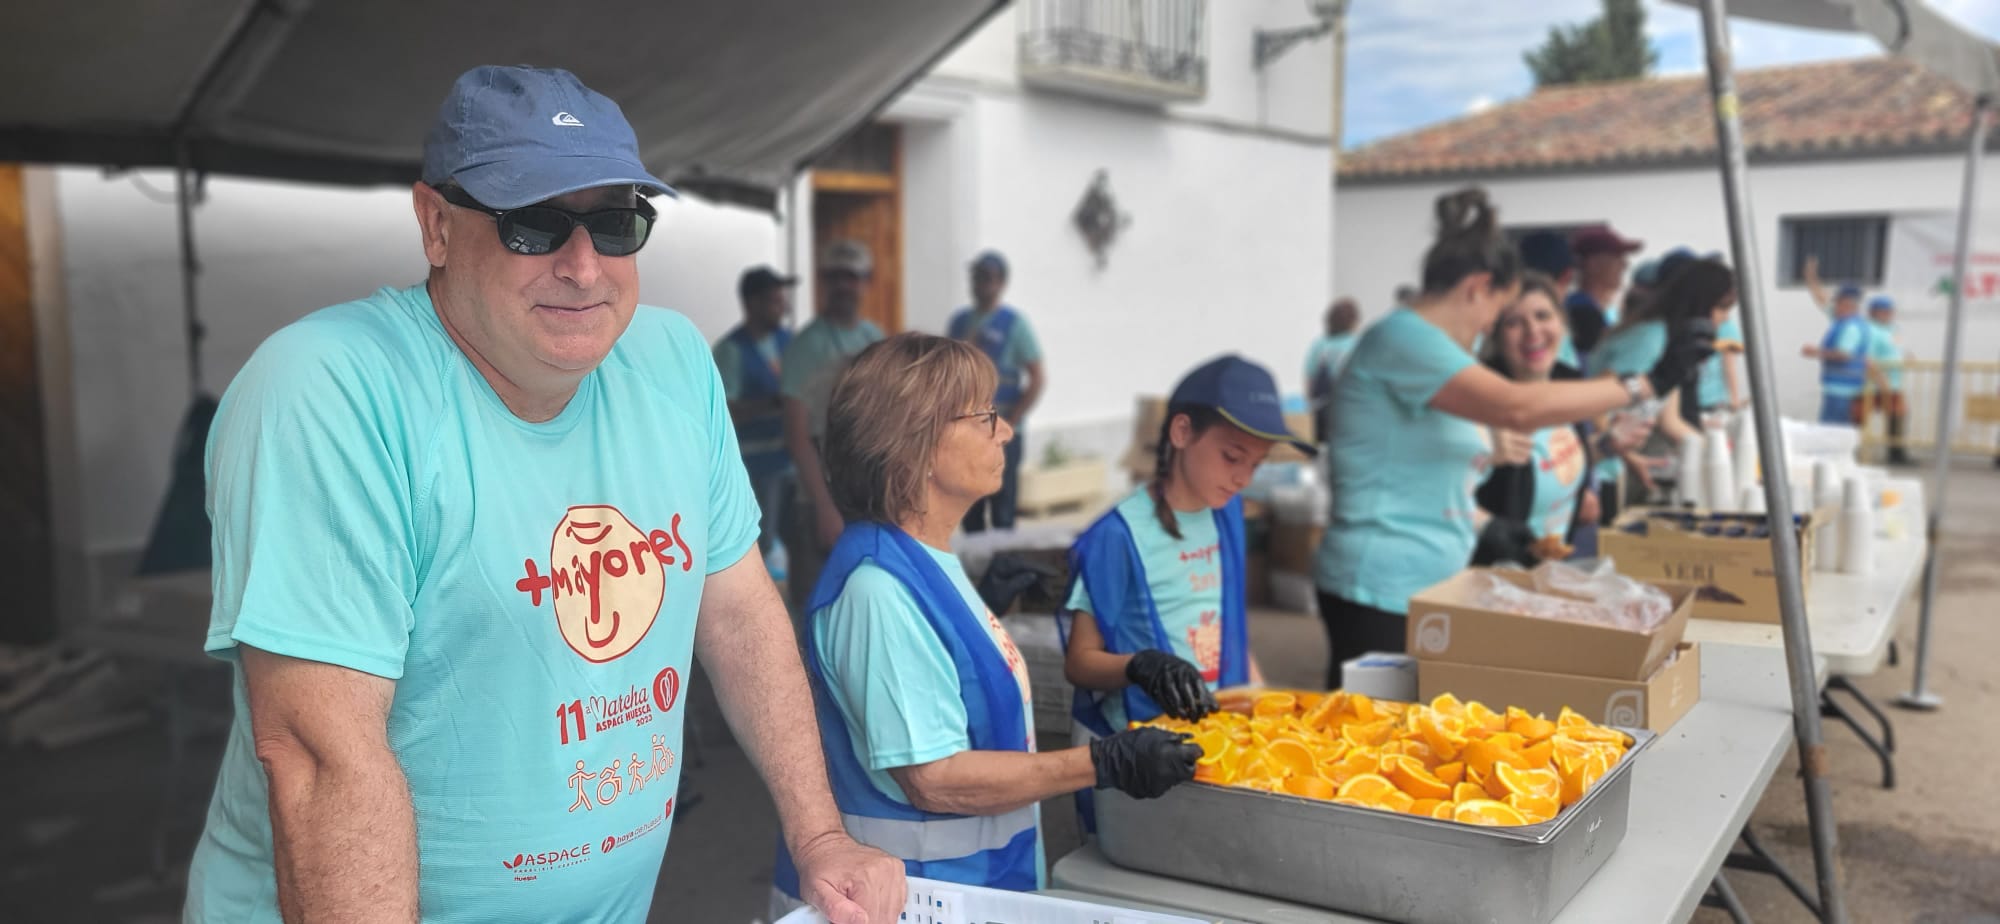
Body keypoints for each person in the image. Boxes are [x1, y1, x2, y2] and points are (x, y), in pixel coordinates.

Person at [184, 66, 902, 924]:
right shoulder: (331, 391)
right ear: (436, 225)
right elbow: (318, 755)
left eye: (615, 222)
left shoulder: (670, 361)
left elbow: (739, 608)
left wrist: (820, 836)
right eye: (534, 224)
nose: (584, 265)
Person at [774, 333, 1200, 902]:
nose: (1007, 430)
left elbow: (933, 684)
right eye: (986, 417)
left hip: (969, 888)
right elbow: (934, 779)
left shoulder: (919, 558)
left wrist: (985, 609)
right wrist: (1103, 762)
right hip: (914, 901)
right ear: (917, 446)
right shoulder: (874, 593)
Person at [1313, 188, 1712, 687]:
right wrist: (1645, 384)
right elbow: (1518, 406)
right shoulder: (1403, 338)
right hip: (1378, 586)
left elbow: (1425, 476)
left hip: (1429, 582)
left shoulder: (1429, 351)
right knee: (1371, 746)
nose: (1487, 330)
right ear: (1479, 287)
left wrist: (1488, 524)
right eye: (1499, 316)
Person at [1060, 355, 1297, 740]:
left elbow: (1227, 628)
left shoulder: (1227, 513)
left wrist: (1263, 702)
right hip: (1141, 743)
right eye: (1232, 457)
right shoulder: (1118, 535)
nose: (1242, 478)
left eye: (1256, 464)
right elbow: (1079, 663)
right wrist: (1140, 666)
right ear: (1182, 432)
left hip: (1216, 731)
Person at [781, 240, 886, 612]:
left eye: (852, 277)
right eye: (835, 277)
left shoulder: (874, 339)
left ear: (865, 281)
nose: (844, 285)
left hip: (866, 498)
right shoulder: (806, 347)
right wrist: (825, 507)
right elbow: (797, 435)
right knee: (818, 609)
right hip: (819, 502)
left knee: (863, 608)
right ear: (824, 281)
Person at [1473, 273, 1606, 565]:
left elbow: (1552, 455)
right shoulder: (1482, 405)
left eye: (1543, 316)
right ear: (1495, 336)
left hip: (1552, 574)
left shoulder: (1567, 385)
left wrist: (1606, 447)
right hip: (1495, 582)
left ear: (1562, 323)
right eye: (1513, 322)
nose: (1532, 331)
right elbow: (1440, 491)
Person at [1588, 259, 1738, 514]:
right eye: (1722, 309)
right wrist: (1626, 454)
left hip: (1617, 461)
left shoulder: (1671, 341)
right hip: (1599, 468)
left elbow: (1670, 420)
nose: (1724, 320)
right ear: (1701, 305)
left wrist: (1719, 454)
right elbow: (1594, 404)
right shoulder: (1650, 337)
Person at [948, 250, 1046, 533]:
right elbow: (947, 371)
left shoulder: (1015, 325)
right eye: (977, 276)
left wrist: (1014, 419)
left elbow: (1037, 376)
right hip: (967, 431)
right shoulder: (960, 323)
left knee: (1003, 511)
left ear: (1001, 283)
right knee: (970, 510)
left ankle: (1004, 573)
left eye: (988, 277)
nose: (981, 284)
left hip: (1002, 429)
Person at [715, 265, 797, 555]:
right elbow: (726, 411)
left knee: (796, 547)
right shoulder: (731, 350)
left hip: (792, 464)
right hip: (755, 469)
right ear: (753, 304)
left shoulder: (788, 341)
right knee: (758, 549)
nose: (784, 308)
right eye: (776, 301)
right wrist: (777, 403)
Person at [1801, 255, 1874, 426]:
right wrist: (1811, 278)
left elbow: (1844, 354)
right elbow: (1821, 299)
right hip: (1842, 388)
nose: (1834, 305)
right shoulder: (1843, 321)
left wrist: (1816, 352)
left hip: (1844, 390)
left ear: (1847, 303)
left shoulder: (1851, 327)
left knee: (1834, 432)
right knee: (1836, 432)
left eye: (1838, 302)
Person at [1564, 225, 1644, 363]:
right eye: (1617, 257)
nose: (1625, 265)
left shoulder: (1592, 310)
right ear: (1593, 264)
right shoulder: (1583, 314)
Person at [1864, 295, 1913, 464]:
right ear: (1873, 312)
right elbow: (1867, 356)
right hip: (1877, 383)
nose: (1887, 314)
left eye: (1889, 311)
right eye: (1883, 311)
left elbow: (1896, 349)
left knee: (1898, 415)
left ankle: (1896, 452)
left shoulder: (1893, 329)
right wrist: (1878, 377)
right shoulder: (1869, 330)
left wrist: (1906, 357)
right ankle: (1893, 452)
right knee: (1862, 417)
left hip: (1894, 382)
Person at [1305, 299, 1361, 444]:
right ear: (1353, 322)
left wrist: (1310, 405)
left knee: (1322, 449)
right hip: (1349, 408)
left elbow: (1309, 378)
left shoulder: (1319, 345)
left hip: (1321, 408)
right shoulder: (1356, 344)